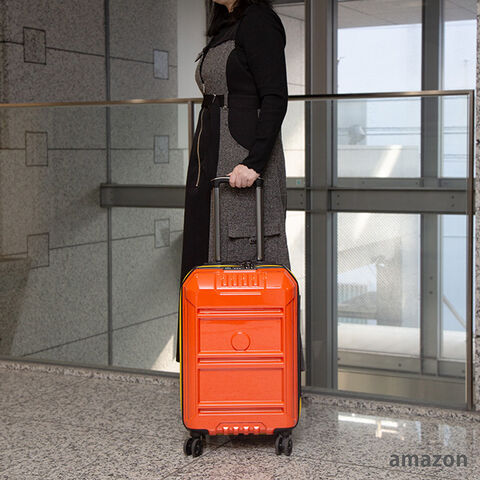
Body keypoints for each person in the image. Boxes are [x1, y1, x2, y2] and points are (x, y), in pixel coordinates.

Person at [176, 0, 291, 362]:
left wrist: (254, 163)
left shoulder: (259, 21)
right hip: (211, 152)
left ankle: (253, 366)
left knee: (242, 255)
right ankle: (207, 369)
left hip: (241, 157)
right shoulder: (227, 23)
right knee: (205, 253)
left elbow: (275, 96)